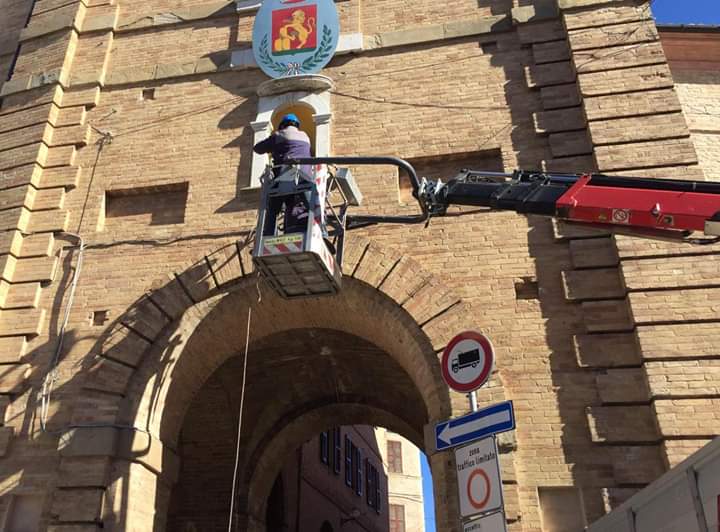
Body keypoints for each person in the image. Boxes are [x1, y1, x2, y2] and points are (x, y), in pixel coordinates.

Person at [253, 113, 313, 234]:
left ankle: (268, 234)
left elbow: (258, 148)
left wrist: (272, 143)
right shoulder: (306, 136)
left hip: (286, 176)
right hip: (305, 178)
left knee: (273, 208)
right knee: (310, 206)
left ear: (283, 125)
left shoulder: (280, 134)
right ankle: (320, 229)